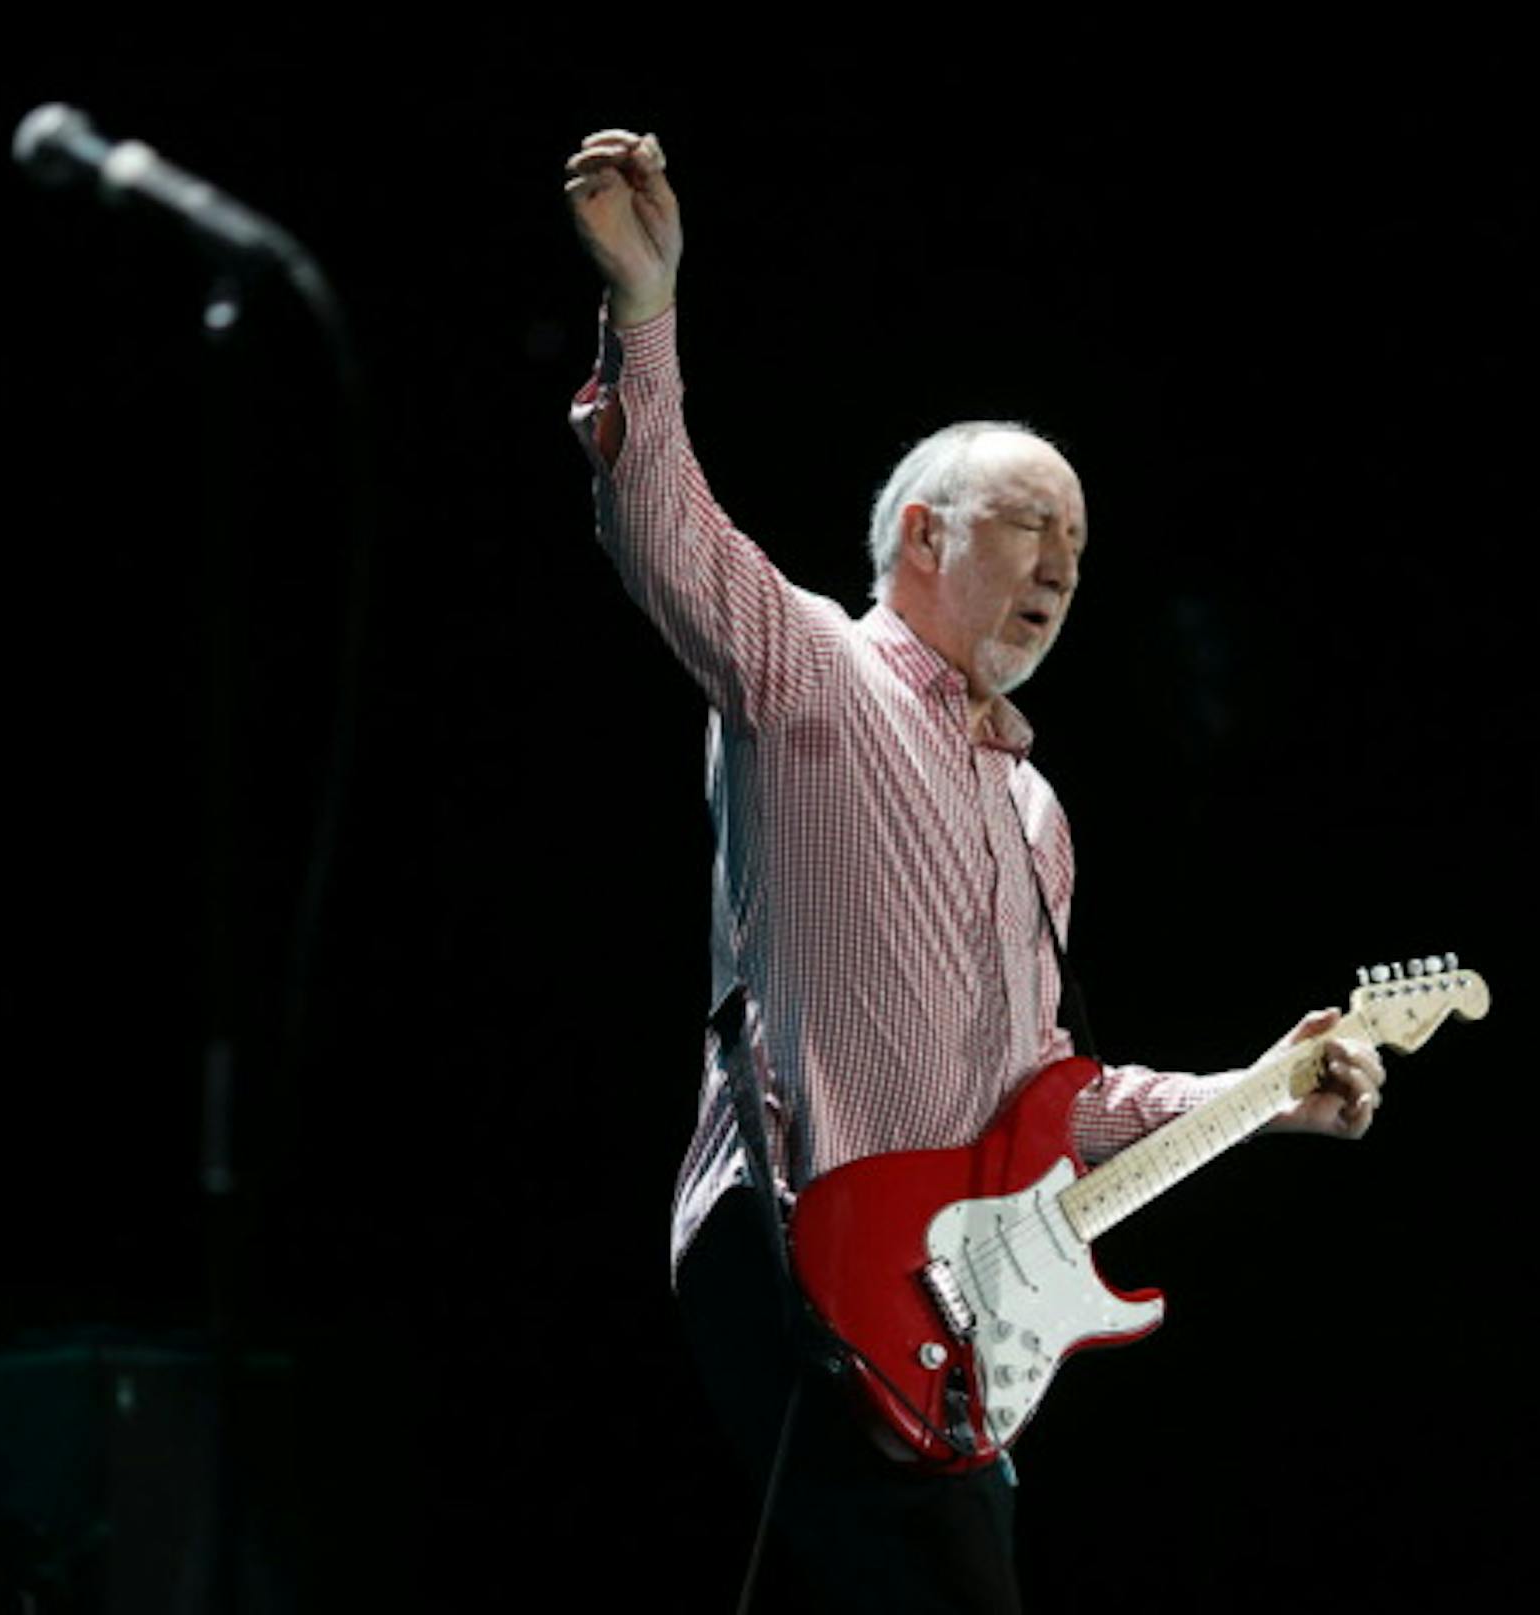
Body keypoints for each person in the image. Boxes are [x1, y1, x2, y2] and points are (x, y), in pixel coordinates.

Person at [564, 127, 1388, 1614]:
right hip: (797, 1247)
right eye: (1031, 522)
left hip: (947, 1319)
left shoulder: (1039, 815)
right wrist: (646, 312)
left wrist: (1260, 1091)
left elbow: (1049, 1094)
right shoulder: (813, 668)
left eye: (1080, 536)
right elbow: (662, 531)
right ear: (923, 534)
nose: (1068, 559)